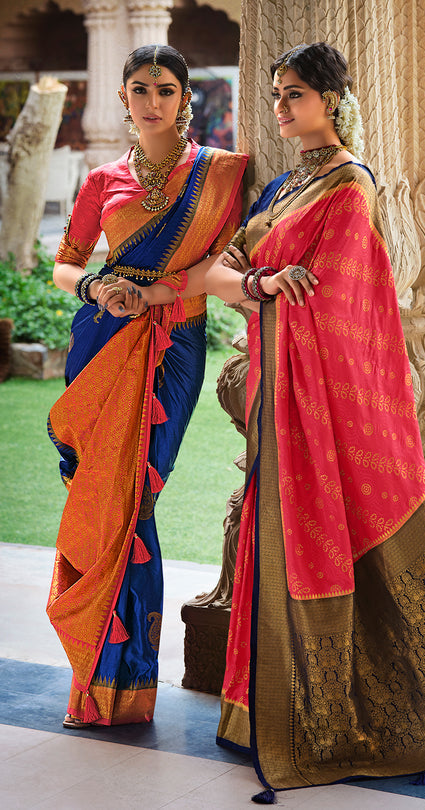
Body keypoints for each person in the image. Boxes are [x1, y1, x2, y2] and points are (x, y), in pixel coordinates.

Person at [205, 42, 425, 801]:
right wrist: (258, 281)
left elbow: (340, 307)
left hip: (323, 406)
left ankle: (328, 721)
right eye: (277, 94)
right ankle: (257, 710)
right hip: (276, 398)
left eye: (295, 95)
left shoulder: (350, 187)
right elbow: (216, 271)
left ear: (332, 101)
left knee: (326, 543)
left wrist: (258, 287)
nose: (281, 107)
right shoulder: (284, 187)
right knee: (266, 537)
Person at [47, 44, 247, 728]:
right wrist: (102, 285)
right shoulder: (104, 180)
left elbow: (231, 257)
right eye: (141, 88)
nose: (153, 99)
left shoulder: (219, 173)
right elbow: (65, 266)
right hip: (105, 344)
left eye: (166, 88)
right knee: (107, 503)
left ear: (185, 97)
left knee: (138, 498)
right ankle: (105, 681)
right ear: (126, 98)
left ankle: (120, 678)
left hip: (175, 346)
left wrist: (163, 292)